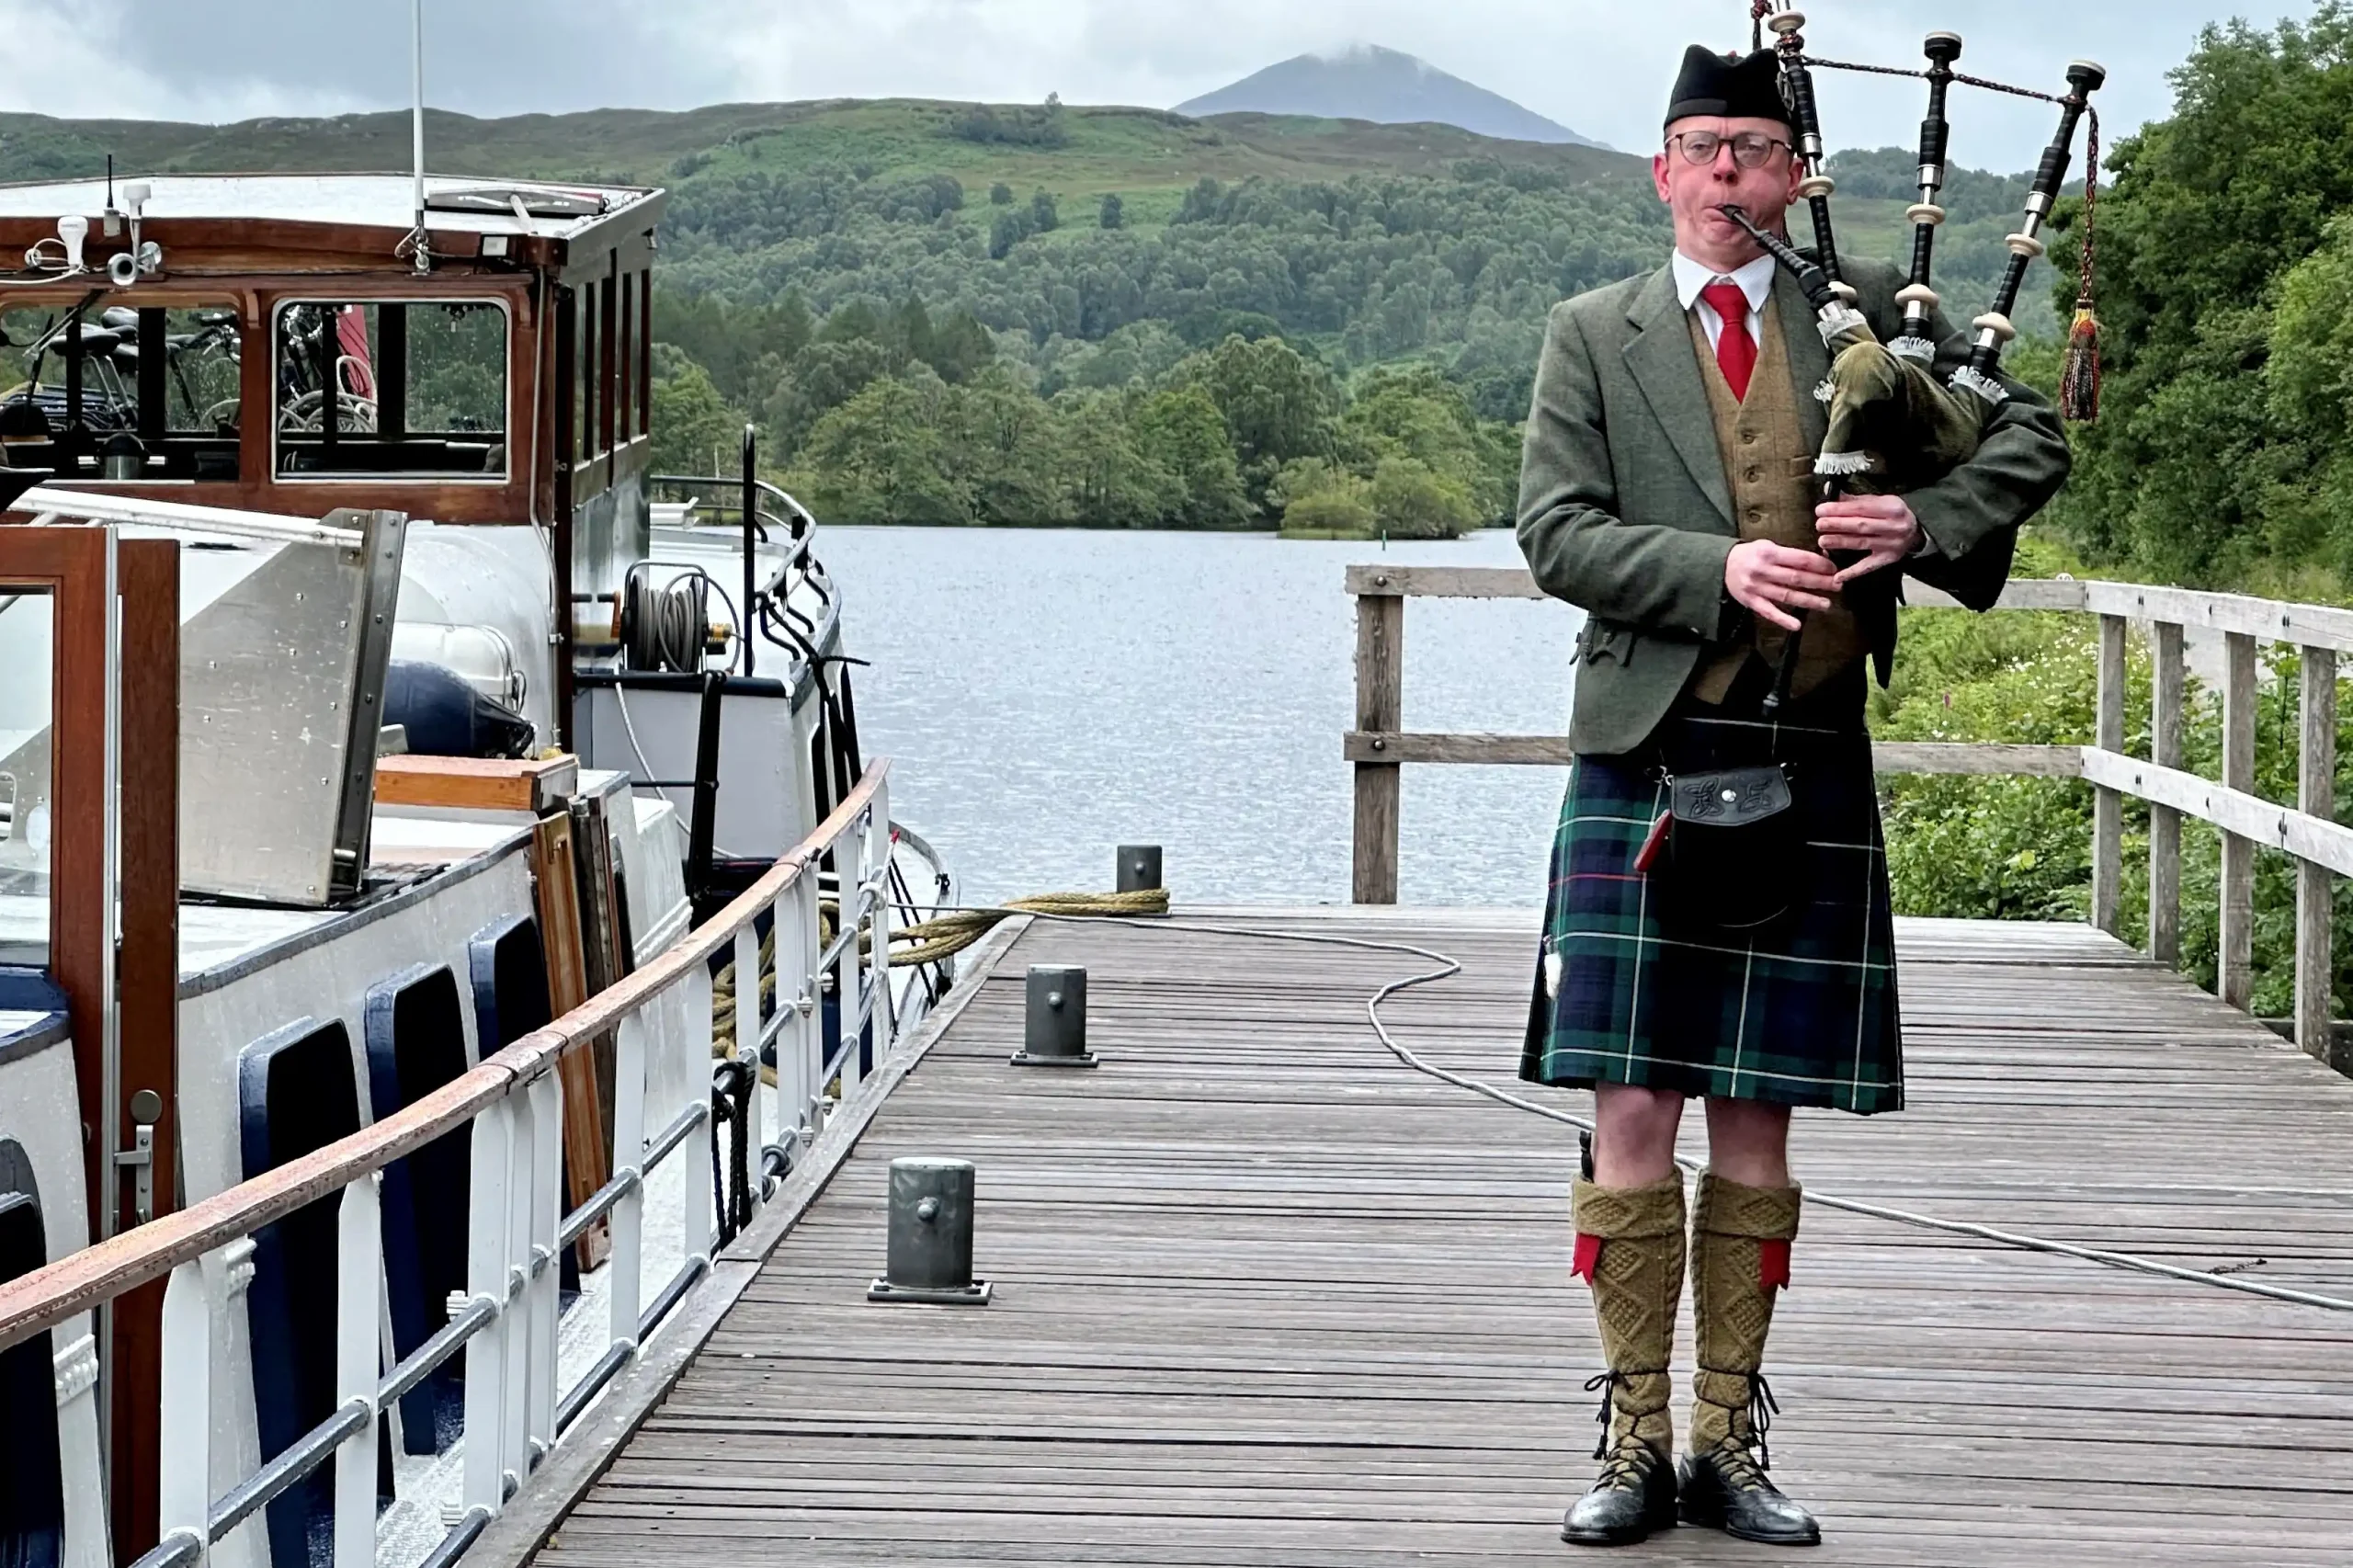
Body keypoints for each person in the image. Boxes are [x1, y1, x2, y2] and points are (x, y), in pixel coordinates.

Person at [1516, 43, 2071, 1548]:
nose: (1731, 177)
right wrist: (1716, 568)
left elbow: (2032, 433)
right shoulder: (1593, 332)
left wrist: (1926, 516)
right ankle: (1633, 1438)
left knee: (1756, 1117)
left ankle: (1727, 1441)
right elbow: (1555, 530)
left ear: (1791, 178)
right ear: (1664, 171)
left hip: (1808, 750)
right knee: (1630, 1105)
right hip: (1645, 754)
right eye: (1704, 149)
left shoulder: (1866, 333)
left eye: (1758, 152)